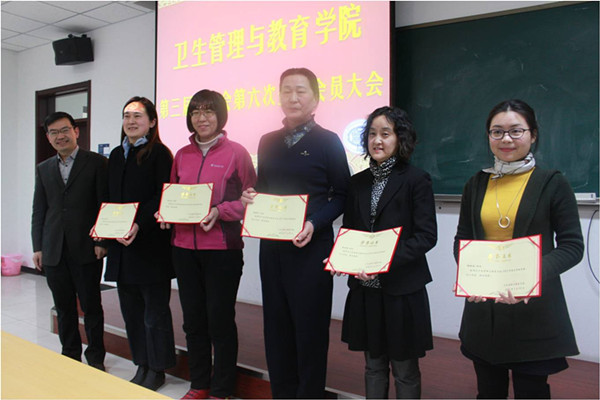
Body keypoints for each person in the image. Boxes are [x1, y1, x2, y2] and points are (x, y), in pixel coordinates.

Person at [453, 99, 584, 399]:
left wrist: (530, 277)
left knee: (531, 392)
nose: (506, 139)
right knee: (488, 392)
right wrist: (470, 276)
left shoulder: (552, 183)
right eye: (497, 131)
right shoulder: (476, 184)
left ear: (533, 135)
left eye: (516, 131)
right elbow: (462, 240)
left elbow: (572, 246)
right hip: (484, 311)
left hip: (533, 309)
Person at [242, 67, 351, 398]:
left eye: (301, 90)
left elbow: (342, 195)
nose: (293, 97)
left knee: (310, 330)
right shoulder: (268, 141)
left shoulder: (328, 141)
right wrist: (251, 197)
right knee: (276, 329)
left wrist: (314, 223)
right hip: (272, 249)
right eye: (286, 90)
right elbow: (263, 188)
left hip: (311, 248)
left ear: (315, 99)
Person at [158, 90, 256, 400]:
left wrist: (220, 211)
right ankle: (199, 384)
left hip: (222, 250)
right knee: (193, 321)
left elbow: (252, 199)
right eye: (196, 111)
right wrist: (165, 212)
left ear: (220, 115)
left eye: (209, 111)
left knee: (220, 321)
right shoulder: (181, 155)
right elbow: (173, 194)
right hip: (184, 249)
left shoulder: (237, 153)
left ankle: (222, 389)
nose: (202, 118)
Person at [339, 106, 437, 399]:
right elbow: (349, 231)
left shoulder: (416, 179)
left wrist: (383, 261)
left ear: (400, 138)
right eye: (371, 134)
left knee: (405, 369)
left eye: (385, 133)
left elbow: (426, 237)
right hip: (365, 289)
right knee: (373, 366)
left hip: (401, 290)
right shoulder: (357, 183)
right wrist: (342, 258)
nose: (377, 140)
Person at [102, 97, 176, 390]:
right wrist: (105, 232)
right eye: (126, 116)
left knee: (154, 312)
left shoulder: (159, 153)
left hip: (150, 245)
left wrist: (138, 224)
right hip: (121, 246)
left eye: (138, 116)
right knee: (131, 312)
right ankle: (142, 364)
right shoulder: (116, 155)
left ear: (152, 121)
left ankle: (158, 368)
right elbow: (109, 197)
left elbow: (162, 195)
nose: (131, 121)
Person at [31, 111, 107, 370]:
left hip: (86, 248)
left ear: (76, 131)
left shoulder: (96, 163)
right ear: (48, 137)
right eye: (53, 132)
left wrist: (101, 241)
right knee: (63, 308)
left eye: (64, 130)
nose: (60, 136)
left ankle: (96, 358)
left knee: (91, 306)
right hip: (53, 249)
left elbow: (104, 204)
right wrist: (38, 247)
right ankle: (70, 355)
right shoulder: (43, 168)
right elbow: (39, 210)